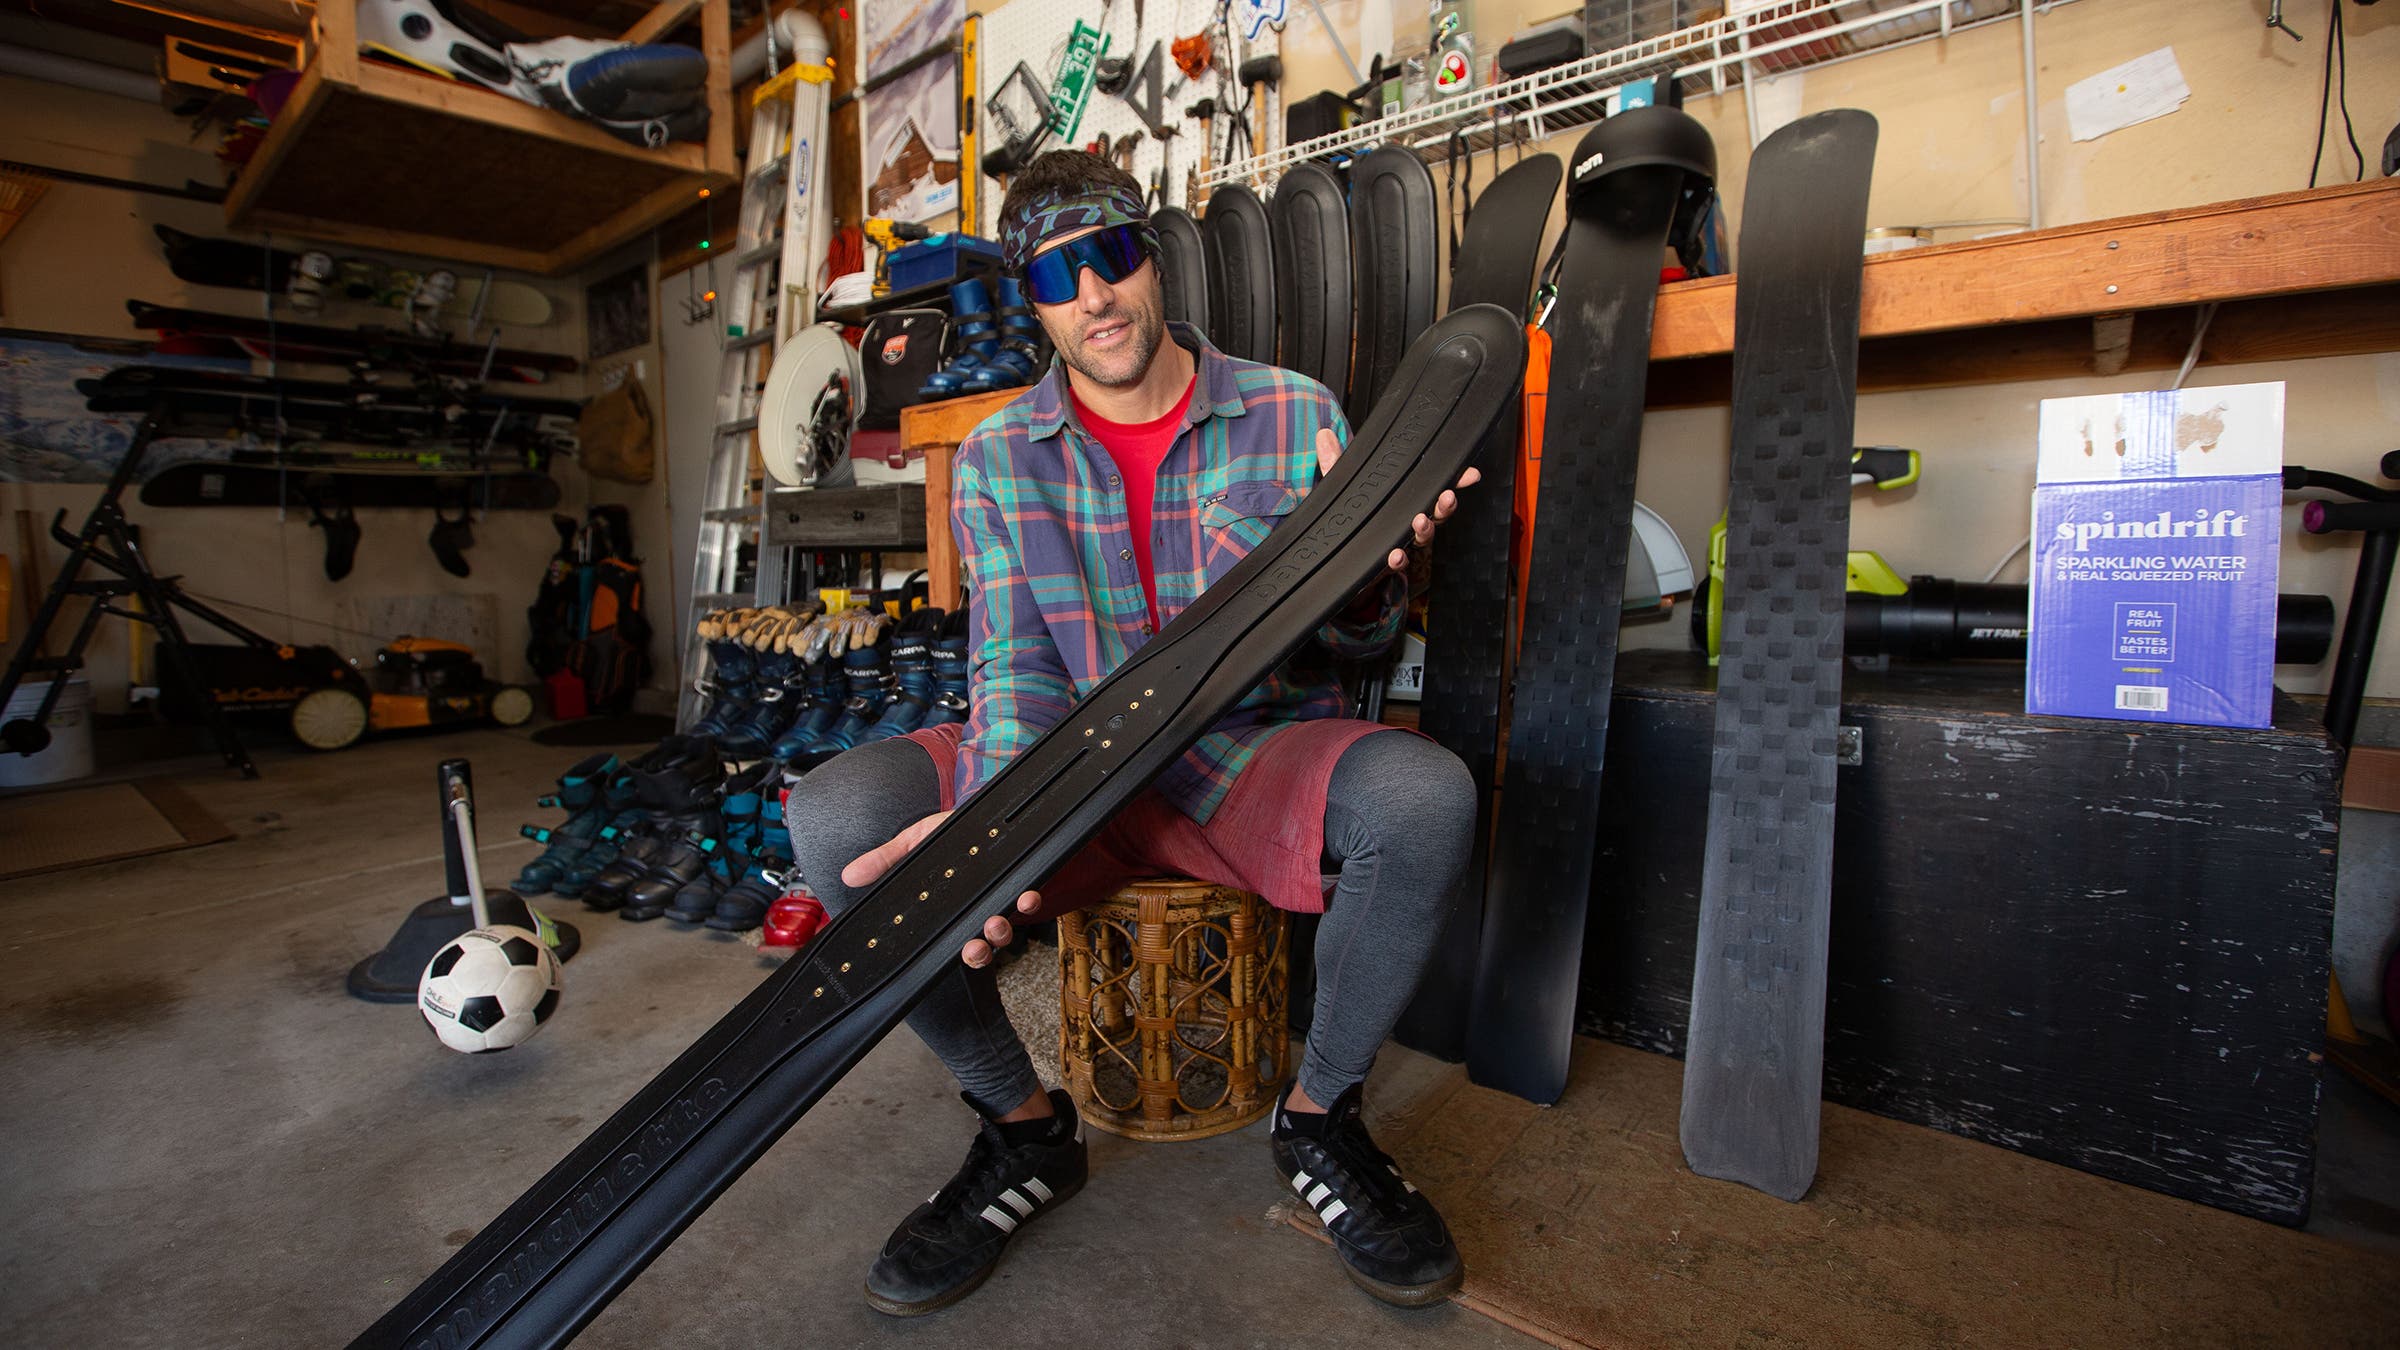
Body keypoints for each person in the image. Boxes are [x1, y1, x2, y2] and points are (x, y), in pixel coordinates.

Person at [783, 149, 1483, 1317]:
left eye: (1110, 258)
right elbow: (1012, 659)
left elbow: (1352, 647)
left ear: (1149, 258)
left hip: (1240, 754)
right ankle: (1020, 1126)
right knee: (837, 821)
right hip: (1061, 753)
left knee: (1426, 798)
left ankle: (1320, 1120)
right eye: (1057, 279)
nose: (1093, 298)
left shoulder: (1292, 411)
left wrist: (1374, 583)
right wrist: (995, 827)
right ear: (1033, 301)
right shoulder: (1002, 460)